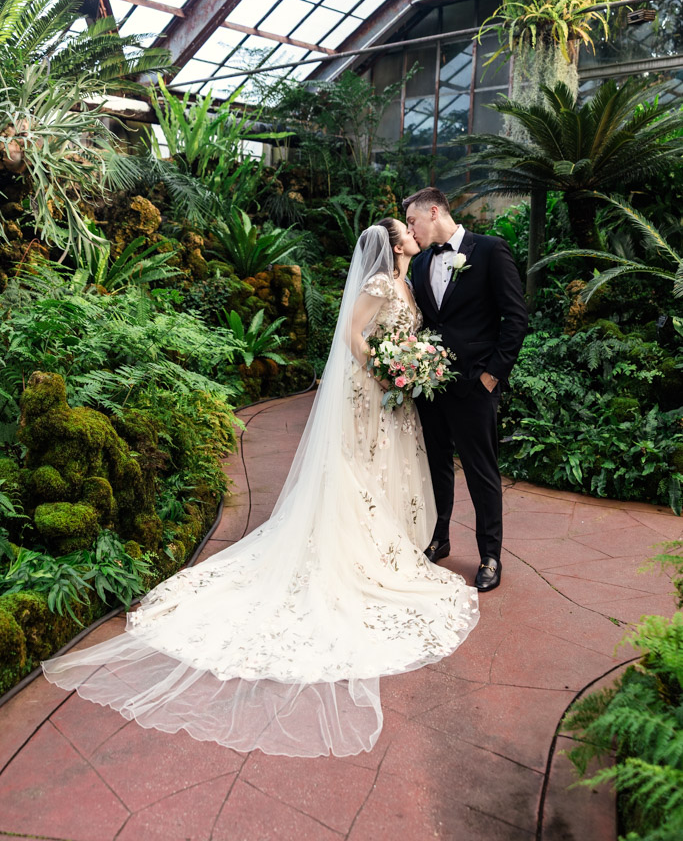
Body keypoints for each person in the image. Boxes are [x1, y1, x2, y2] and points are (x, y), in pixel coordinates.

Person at [42, 220, 479, 758]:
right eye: (404, 230)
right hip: (375, 392)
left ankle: (396, 543)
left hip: (398, 398)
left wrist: (410, 365)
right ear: (393, 244)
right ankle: (365, 555)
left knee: (390, 471)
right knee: (363, 472)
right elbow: (352, 335)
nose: (412, 232)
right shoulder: (379, 286)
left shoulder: (406, 283)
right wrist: (386, 369)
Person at [403, 188, 528, 593]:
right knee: (435, 466)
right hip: (431, 388)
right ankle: (439, 539)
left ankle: (490, 555)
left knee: (482, 473)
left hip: (475, 386)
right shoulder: (420, 264)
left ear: (434, 211)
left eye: (412, 222)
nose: (410, 229)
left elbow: (516, 318)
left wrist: (492, 376)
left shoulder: (490, 251)